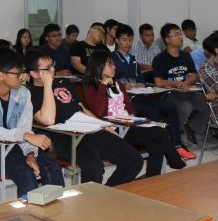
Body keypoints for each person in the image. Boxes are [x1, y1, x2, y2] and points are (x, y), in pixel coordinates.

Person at [26, 49, 143, 185]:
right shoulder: (31, 94)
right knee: (95, 169)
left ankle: (109, 192)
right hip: (67, 137)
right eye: (47, 69)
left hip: (89, 129)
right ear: (34, 73)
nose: (53, 70)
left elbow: (82, 108)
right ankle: (90, 197)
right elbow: (48, 120)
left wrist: (102, 125)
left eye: (53, 65)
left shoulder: (63, 82)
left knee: (134, 160)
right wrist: (47, 85)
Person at [0, 48, 64, 197]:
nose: (22, 77)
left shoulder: (24, 94)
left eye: (22, 72)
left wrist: (30, 153)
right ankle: (28, 211)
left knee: (52, 168)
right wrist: (25, 136)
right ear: (1, 75)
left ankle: (55, 210)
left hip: (14, 144)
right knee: (25, 173)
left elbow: (24, 128)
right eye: (18, 74)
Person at [83, 51, 186, 177]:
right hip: (114, 129)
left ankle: (151, 180)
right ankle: (177, 163)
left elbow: (128, 105)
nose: (114, 67)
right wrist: (103, 85)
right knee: (159, 132)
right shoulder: (91, 86)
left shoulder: (117, 83)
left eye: (114, 64)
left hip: (128, 124)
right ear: (99, 66)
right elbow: (99, 112)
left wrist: (132, 115)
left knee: (157, 147)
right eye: (110, 65)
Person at [112, 24, 194, 160]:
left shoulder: (132, 59)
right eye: (124, 40)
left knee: (170, 106)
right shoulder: (111, 59)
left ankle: (176, 145)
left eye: (130, 40)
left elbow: (141, 80)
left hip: (138, 95)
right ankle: (155, 147)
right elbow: (108, 80)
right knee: (153, 112)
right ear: (117, 41)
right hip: (123, 99)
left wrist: (140, 84)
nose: (128, 43)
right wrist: (123, 85)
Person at [152, 23, 210, 142]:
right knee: (185, 107)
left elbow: (194, 75)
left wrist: (186, 83)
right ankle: (173, 135)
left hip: (186, 90)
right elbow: (158, 82)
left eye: (180, 34)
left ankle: (193, 127)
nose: (180, 37)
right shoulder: (160, 58)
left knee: (208, 103)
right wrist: (176, 84)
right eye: (176, 34)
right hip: (169, 93)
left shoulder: (186, 56)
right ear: (167, 40)